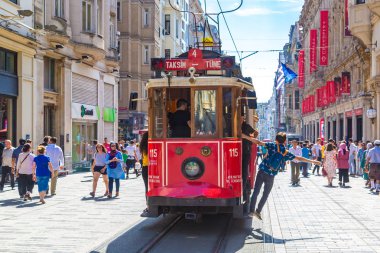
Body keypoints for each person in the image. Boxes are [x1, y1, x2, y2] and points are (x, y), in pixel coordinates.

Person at [245, 132, 321, 220]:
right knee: (265, 194)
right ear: (285, 141)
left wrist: (244, 136)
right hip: (271, 175)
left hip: (262, 171)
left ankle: (251, 211)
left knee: (256, 191)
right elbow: (299, 158)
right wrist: (314, 162)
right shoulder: (285, 152)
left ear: (276, 139)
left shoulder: (271, 145)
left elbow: (257, 142)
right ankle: (258, 211)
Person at [241, 117, 255, 211]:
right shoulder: (232, 124)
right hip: (238, 150)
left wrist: (249, 138)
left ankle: (244, 186)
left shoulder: (246, 126)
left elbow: (255, 133)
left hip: (245, 150)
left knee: (244, 169)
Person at [139, 132, 150, 217]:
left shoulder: (142, 146)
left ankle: (148, 206)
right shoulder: (151, 145)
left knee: (147, 188)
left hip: (145, 168)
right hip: (152, 167)